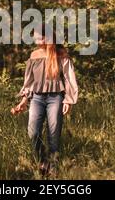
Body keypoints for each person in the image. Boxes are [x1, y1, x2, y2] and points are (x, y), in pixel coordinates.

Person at [11, 24, 78, 176]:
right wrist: (23, 101)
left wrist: (68, 100)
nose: (36, 40)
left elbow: (69, 78)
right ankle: (43, 161)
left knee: (53, 134)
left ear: (48, 36)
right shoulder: (34, 55)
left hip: (56, 97)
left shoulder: (61, 54)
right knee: (33, 132)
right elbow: (28, 82)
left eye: (40, 36)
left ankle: (53, 168)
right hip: (37, 98)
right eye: (35, 37)